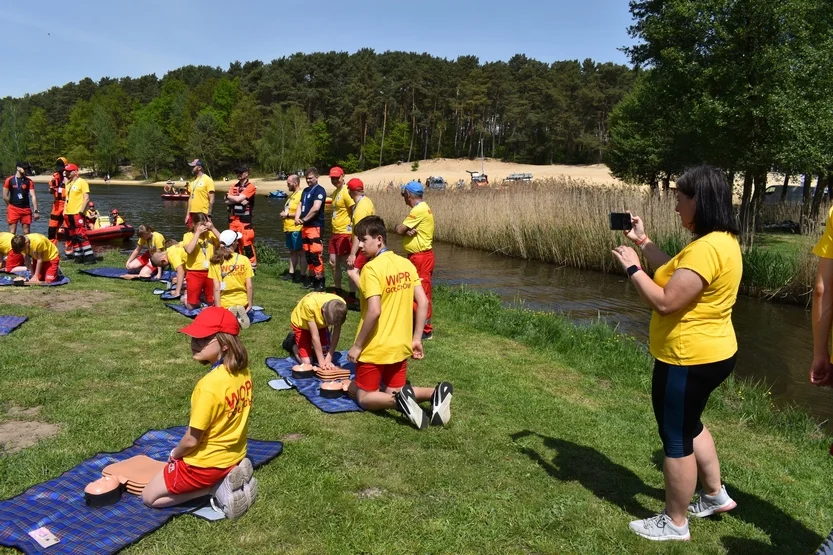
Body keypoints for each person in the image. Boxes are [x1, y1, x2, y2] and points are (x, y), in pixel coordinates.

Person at [610, 166, 742, 542]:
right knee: (690, 422)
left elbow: (666, 301)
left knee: (676, 437)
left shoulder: (706, 248)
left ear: (699, 201)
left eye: (680, 199)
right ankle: (715, 495)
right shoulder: (722, 240)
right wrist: (643, 241)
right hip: (715, 351)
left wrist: (633, 268)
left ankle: (675, 521)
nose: (675, 207)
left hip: (687, 358)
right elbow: (676, 272)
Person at [142, 306, 257, 520]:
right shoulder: (243, 372)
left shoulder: (208, 387)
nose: (194, 343)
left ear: (224, 344)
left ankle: (214, 488)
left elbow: (191, 441)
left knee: (149, 497)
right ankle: (226, 476)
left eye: (203, 338)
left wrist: (175, 454)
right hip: (236, 454)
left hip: (205, 465)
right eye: (194, 337)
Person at [345, 215, 452, 430]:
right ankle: (435, 392)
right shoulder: (405, 264)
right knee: (390, 389)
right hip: (401, 345)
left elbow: (374, 310)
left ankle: (399, 402)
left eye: (363, 240)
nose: (359, 246)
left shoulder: (371, 269)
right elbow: (422, 301)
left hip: (375, 346)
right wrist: (416, 339)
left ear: (379, 240)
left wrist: (357, 346)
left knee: (364, 398)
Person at [394, 181, 435, 340]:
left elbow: (399, 229)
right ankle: (417, 325)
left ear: (409, 195)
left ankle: (425, 330)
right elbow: (402, 230)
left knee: (421, 293)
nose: (403, 197)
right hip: (417, 256)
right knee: (415, 291)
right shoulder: (422, 208)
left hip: (421, 257)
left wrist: (403, 230)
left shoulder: (418, 210)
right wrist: (405, 231)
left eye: (404, 194)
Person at [286, 292, 347, 368]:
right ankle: (293, 344)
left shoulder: (341, 306)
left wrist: (328, 358)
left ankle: (309, 347)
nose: (331, 325)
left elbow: (336, 335)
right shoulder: (309, 305)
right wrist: (321, 362)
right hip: (302, 325)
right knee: (307, 364)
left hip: (320, 325)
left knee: (323, 354)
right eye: (329, 322)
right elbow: (315, 336)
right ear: (323, 311)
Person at [294, 167, 327, 291]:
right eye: (307, 179)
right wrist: (297, 217)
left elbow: (316, 208)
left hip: (315, 226)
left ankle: (320, 281)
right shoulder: (306, 191)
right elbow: (300, 204)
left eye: (311, 178)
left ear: (317, 177)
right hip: (305, 227)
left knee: (315, 254)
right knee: (307, 254)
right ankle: (312, 279)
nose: (308, 181)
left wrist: (304, 219)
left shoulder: (319, 190)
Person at [345, 178, 375, 310]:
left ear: (351, 191)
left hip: (363, 246)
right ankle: (359, 299)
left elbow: (359, 232)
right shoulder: (367, 201)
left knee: (352, 271)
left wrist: (352, 254)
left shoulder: (361, 208)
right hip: (368, 243)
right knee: (362, 273)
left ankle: (368, 299)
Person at [209, 230, 254, 315]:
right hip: (242, 301)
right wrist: (250, 304)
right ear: (233, 243)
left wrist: (218, 308)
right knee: (242, 308)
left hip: (224, 303)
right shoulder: (244, 260)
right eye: (237, 240)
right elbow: (249, 286)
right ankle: (239, 313)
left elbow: (216, 287)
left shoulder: (215, 261)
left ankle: (229, 314)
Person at [182, 213, 221, 309]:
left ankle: (204, 298)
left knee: (213, 302)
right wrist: (197, 233)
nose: (203, 227)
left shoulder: (210, 234)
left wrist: (213, 228)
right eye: (200, 224)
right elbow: (189, 250)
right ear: (194, 225)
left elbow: (225, 242)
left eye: (204, 224)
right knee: (191, 306)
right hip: (194, 272)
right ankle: (186, 299)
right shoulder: (188, 235)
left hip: (210, 272)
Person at [327, 166, 355, 297]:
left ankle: (352, 294)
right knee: (332, 262)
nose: (334, 180)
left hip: (345, 233)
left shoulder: (346, 192)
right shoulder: (335, 192)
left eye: (337, 178)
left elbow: (354, 208)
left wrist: (354, 227)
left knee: (347, 264)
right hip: (335, 232)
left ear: (343, 176)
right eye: (332, 178)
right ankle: (337, 289)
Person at [62, 163, 96, 264]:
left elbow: (86, 198)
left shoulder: (82, 182)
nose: (67, 173)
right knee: (73, 236)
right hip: (68, 214)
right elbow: (67, 199)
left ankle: (90, 257)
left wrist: (81, 211)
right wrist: (64, 212)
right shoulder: (69, 183)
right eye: (66, 171)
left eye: (69, 171)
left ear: (76, 172)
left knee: (81, 235)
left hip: (77, 213)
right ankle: (78, 256)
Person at [225, 166, 257, 269]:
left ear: (246, 173)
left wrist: (232, 198)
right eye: (237, 172)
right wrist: (235, 199)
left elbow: (237, 199)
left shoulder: (251, 186)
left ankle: (252, 264)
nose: (238, 174)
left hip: (245, 220)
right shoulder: (233, 185)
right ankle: (237, 263)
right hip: (233, 219)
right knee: (234, 243)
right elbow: (227, 200)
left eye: (240, 172)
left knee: (246, 243)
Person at [279, 174, 305, 283]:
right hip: (288, 228)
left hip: (297, 228)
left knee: (300, 252)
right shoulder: (292, 195)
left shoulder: (301, 194)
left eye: (288, 183)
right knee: (292, 252)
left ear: (295, 183)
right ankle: (291, 273)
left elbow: (303, 212)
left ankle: (303, 275)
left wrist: (288, 215)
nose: (287, 186)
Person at [3, 162, 39, 235]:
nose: (26, 170)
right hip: (13, 209)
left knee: (26, 232)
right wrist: (10, 206)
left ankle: (26, 246)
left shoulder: (29, 181)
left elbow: (33, 196)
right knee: (12, 232)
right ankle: (12, 246)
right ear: (18, 168)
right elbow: (5, 196)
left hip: (26, 209)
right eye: (24, 168)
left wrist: (36, 211)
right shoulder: (9, 180)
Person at [184, 159, 215, 226]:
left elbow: (212, 199)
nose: (191, 168)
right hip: (192, 213)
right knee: (192, 234)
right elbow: (190, 199)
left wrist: (209, 215)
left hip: (203, 213)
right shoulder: (192, 181)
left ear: (199, 167)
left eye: (193, 166)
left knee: (203, 234)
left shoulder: (208, 180)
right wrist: (187, 214)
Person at [47, 157, 68, 245]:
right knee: (52, 228)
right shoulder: (55, 176)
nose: (59, 169)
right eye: (58, 166)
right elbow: (51, 189)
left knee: (68, 227)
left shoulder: (70, 176)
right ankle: (52, 247)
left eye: (61, 166)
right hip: (57, 204)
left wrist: (65, 176)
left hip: (67, 203)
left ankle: (69, 249)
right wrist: (51, 190)